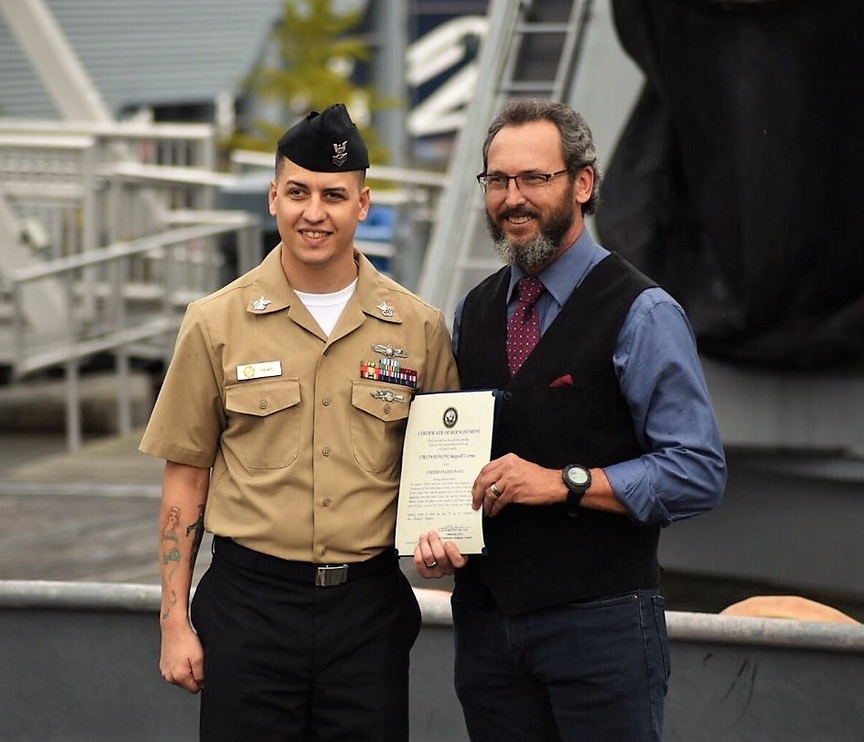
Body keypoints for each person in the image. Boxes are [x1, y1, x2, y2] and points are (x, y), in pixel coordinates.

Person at [139, 103, 459, 741]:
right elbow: (185, 479)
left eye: (334, 195)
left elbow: (443, 464)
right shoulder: (215, 323)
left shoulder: (418, 328)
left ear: (363, 204)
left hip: (368, 610)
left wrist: (447, 546)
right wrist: (174, 622)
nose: (314, 212)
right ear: (273, 198)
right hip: (249, 603)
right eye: (298, 192)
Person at [413, 99, 726, 741]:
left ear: (583, 183)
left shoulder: (643, 312)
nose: (512, 198)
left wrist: (566, 481)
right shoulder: (474, 311)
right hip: (488, 630)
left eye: (535, 178)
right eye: (498, 181)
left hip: (602, 629)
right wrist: (438, 528)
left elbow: (697, 471)